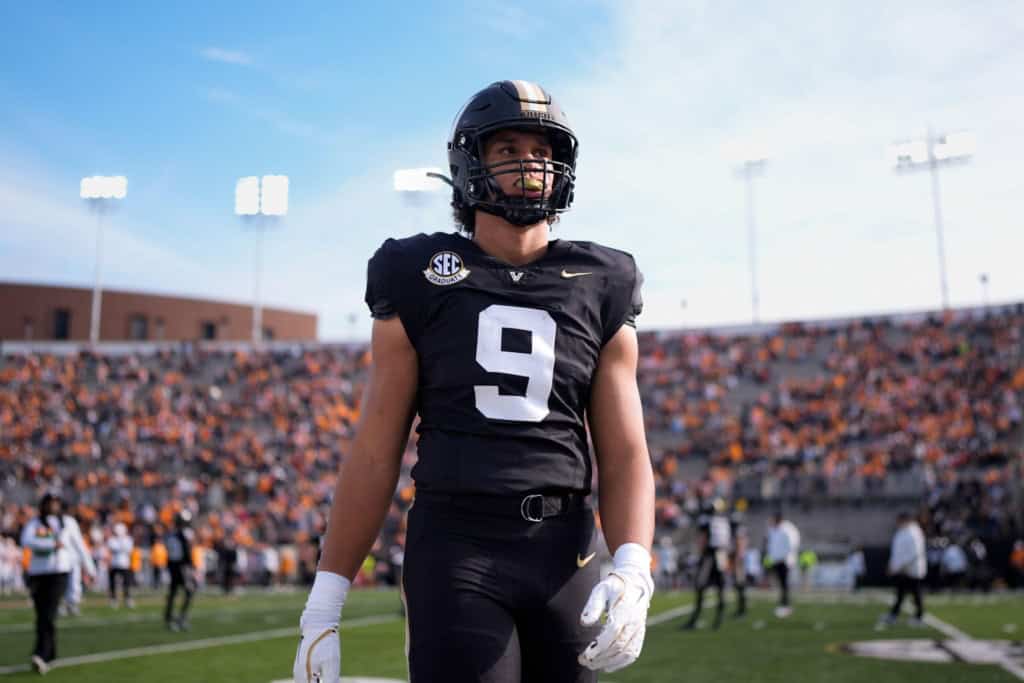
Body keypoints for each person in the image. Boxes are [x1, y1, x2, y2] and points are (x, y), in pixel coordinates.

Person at [294, 79, 655, 683]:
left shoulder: (603, 279)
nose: (529, 163)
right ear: (470, 164)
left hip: (566, 546)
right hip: (456, 545)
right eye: (507, 147)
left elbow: (623, 453)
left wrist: (634, 564)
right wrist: (324, 603)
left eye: (541, 149)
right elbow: (376, 450)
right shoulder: (417, 273)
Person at [20, 492, 97, 674]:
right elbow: (26, 541)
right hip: (38, 573)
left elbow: (80, 546)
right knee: (41, 615)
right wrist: (50, 544)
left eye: (56, 502)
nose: (53, 506)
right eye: (49, 502)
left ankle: (41, 654)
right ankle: (50, 653)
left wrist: (90, 569)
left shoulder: (68, 523)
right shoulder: (35, 522)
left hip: (59, 573)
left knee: (48, 613)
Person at [681, 498, 730, 630]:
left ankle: (695, 618)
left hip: (709, 556)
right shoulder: (724, 522)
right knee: (720, 587)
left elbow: (702, 539)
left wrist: (700, 554)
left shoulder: (706, 521)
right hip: (721, 555)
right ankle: (719, 619)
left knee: (700, 585)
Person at [881, 511, 926, 626]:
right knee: (900, 593)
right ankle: (894, 615)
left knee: (915, 593)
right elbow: (897, 552)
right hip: (902, 570)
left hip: (911, 570)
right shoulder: (902, 532)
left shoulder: (914, 533)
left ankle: (919, 616)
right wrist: (893, 565)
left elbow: (914, 553)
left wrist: (900, 566)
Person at [164, 510, 197, 631]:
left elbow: (168, 551)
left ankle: (169, 617)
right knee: (189, 591)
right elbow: (186, 552)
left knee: (173, 592)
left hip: (173, 566)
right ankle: (181, 617)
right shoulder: (184, 534)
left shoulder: (170, 534)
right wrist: (192, 567)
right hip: (182, 567)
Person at [766, 512, 800, 618]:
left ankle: (785, 605)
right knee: (781, 584)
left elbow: (792, 544)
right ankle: (783, 604)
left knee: (784, 584)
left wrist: (785, 557)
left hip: (784, 561)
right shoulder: (773, 529)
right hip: (777, 560)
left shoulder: (787, 529)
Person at [107, 522, 135, 608]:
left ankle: (127, 598)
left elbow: (129, 549)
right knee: (113, 583)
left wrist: (120, 546)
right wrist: (121, 547)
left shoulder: (128, 539)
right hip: (114, 563)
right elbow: (112, 548)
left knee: (127, 583)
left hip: (125, 564)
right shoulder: (112, 539)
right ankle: (113, 599)